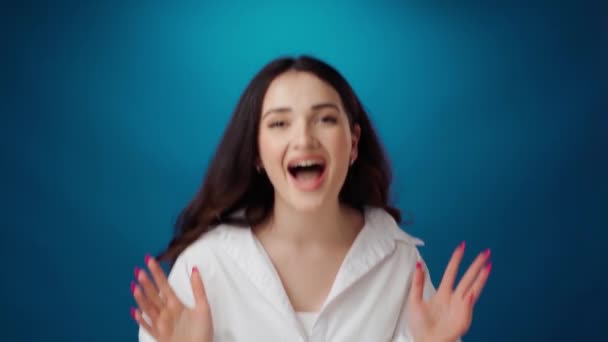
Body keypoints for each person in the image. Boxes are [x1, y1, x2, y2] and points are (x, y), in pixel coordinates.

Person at [130, 55, 492, 342]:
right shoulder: (204, 268)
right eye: (279, 123)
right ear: (256, 152)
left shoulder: (400, 264)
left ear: (353, 143)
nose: (304, 139)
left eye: (325, 119)